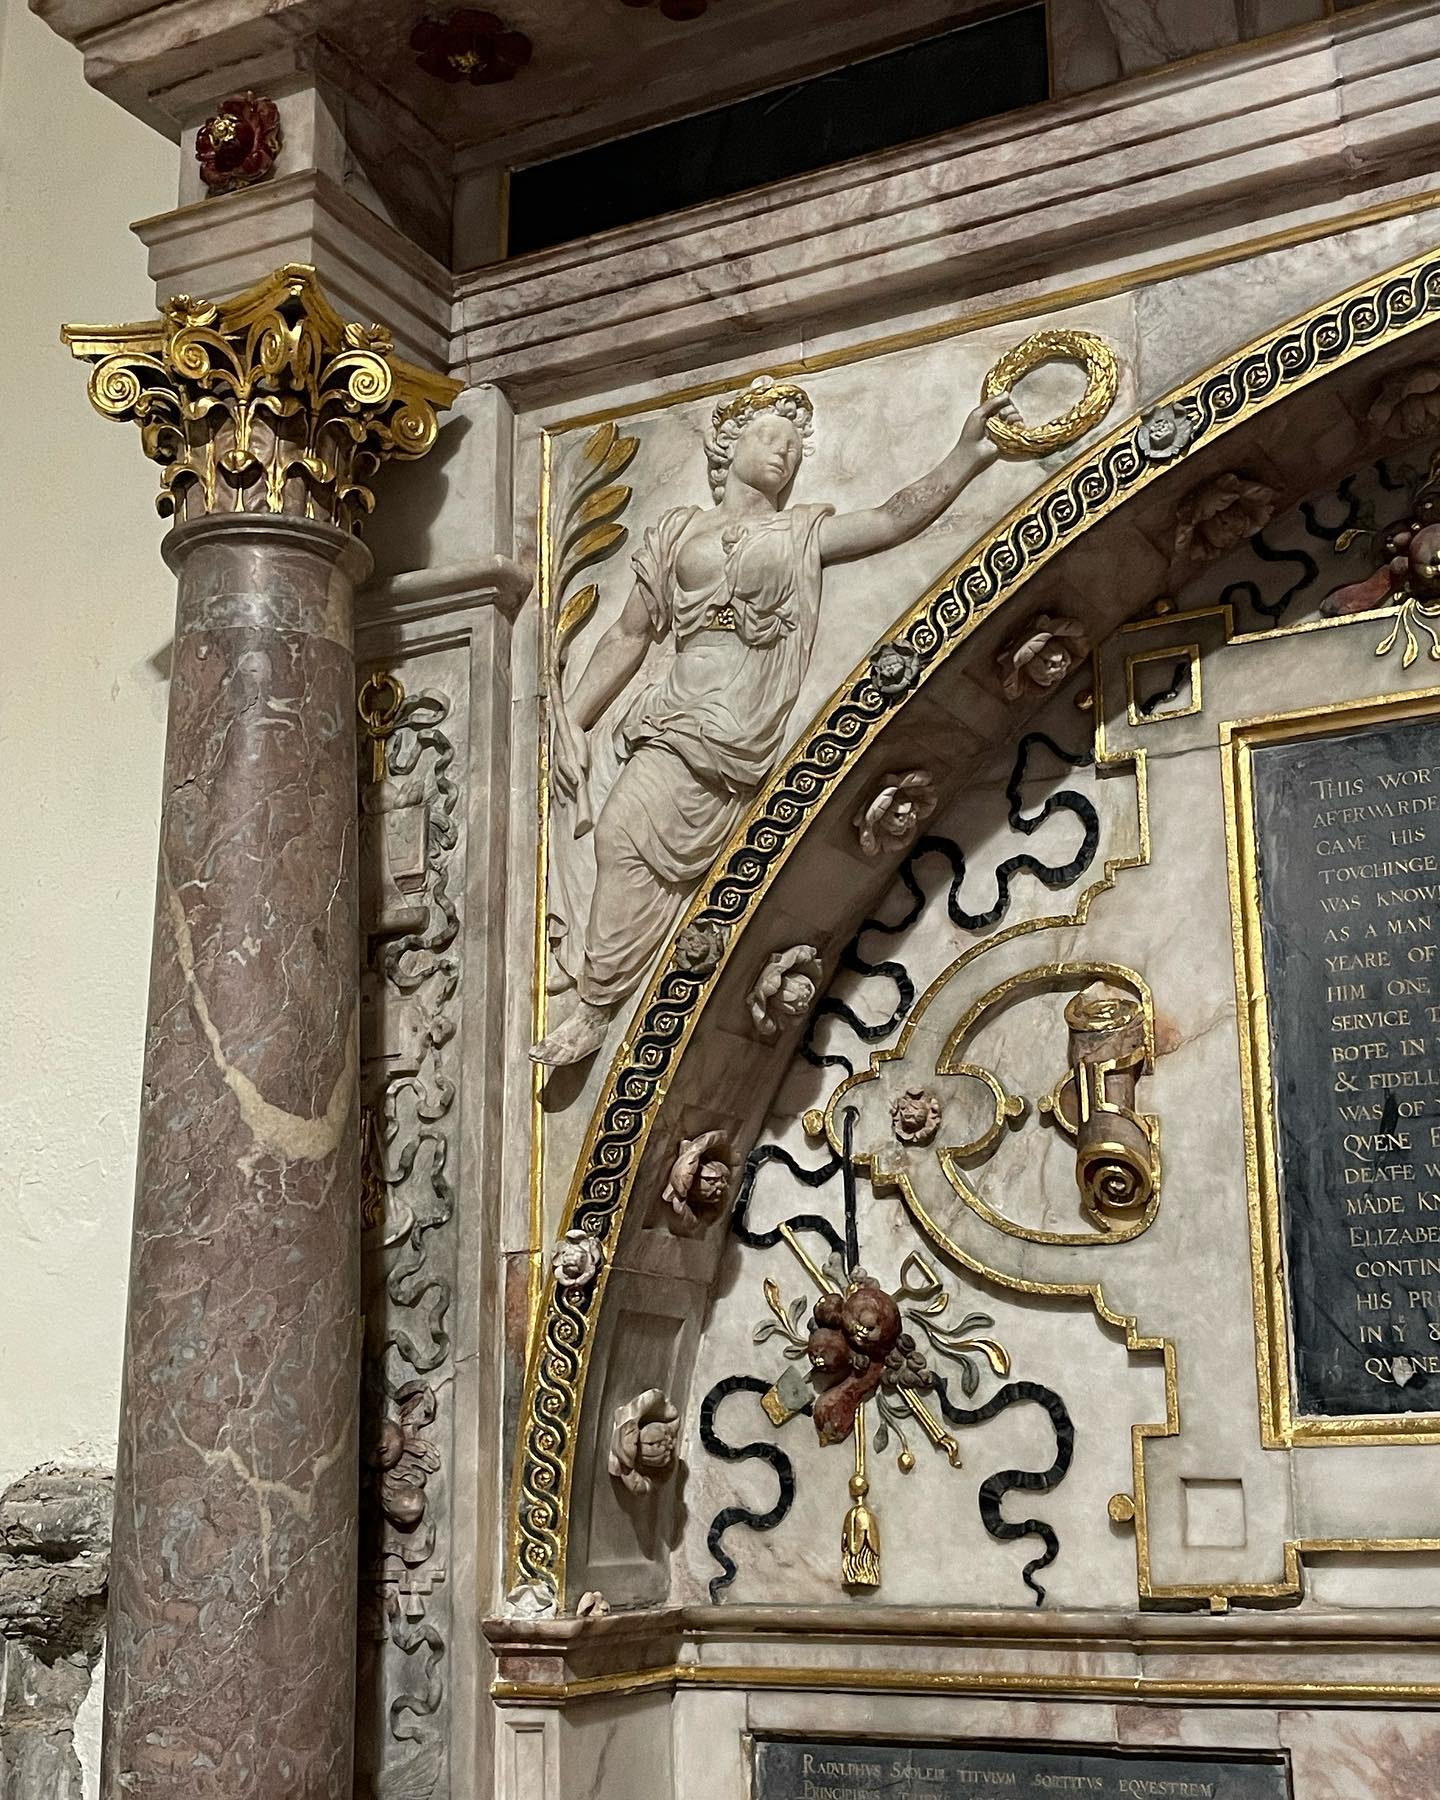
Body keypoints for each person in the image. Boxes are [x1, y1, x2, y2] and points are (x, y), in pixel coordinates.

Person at [532, 374, 1020, 1066]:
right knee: (616, 835)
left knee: (631, 839)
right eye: (768, 436)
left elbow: (892, 519)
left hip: (739, 727)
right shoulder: (678, 530)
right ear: (726, 447)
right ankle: (598, 1002)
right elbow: (629, 634)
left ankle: (597, 1002)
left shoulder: (800, 530)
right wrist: (574, 724)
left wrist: (965, 456)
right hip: (672, 714)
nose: (783, 452)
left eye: (793, 444)